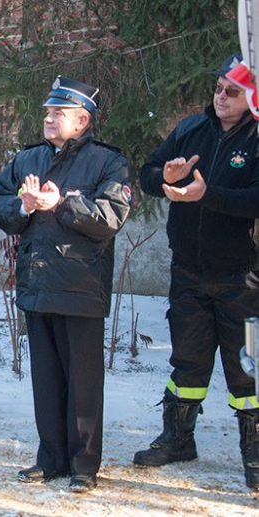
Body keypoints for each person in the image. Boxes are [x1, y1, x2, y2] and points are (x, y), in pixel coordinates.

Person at [0, 76, 131, 493]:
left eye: (59, 113)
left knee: (83, 383)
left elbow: (110, 218)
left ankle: (84, 464)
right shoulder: (28, 158)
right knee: (46, 379)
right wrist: (23, 205)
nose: (49, 119)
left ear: (83, 120)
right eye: (48, 112)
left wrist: (63, 203)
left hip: (81, 286)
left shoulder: (108, 163)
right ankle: (49, 457)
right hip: (37, 282)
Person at [134, 53, 259, 490]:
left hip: (244, 275)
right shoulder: (191, 129)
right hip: (188, 270)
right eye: (218, 87)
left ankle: (254, 454)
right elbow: (149, 174)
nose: (220, 97)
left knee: (248, 367)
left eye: (232, 91)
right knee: (187, 361)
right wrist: (163, 177)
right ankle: (177, 439)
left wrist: (207, 195)